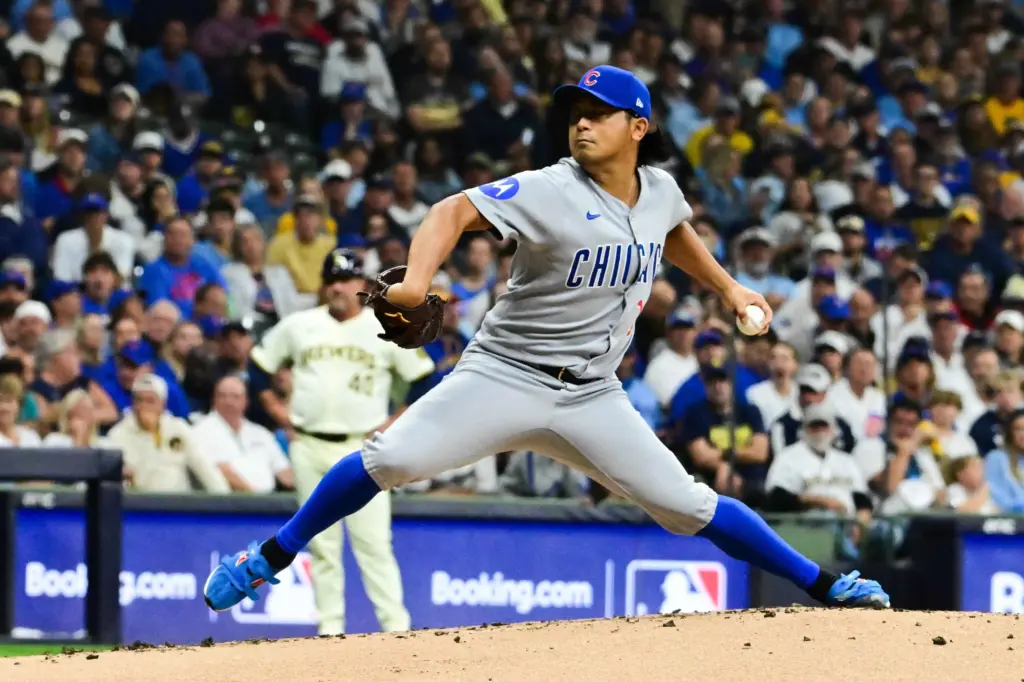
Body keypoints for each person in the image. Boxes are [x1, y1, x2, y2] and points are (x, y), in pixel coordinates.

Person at [204, 65, 889, 616]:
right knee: (390, 460)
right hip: (504, 375)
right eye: (574, 113)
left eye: (597, 112)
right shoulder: (546, 188)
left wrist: (731, 289)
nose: (581, 122)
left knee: (689, 505)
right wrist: (417, 279)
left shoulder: (659, 191)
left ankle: (826, 585)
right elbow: (450, 210)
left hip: (593, 394)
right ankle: (269, 556)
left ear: (639, 127)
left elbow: (674, 231)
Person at [224, 248, 433, 635]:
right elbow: (258, 370)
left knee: (374, 545)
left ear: (363, 285)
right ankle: (330, 630)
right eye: (331, 280)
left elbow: (424, 379)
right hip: (310, 443)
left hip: (365, 448)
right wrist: (278, 412)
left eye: (346, 278)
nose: (338, 287)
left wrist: (394, 423)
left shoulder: (385, 326)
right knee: (322, 546)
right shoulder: (300, 324)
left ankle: (396, 629)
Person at [107, 373, 228, 493]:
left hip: (177, 503)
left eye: (150, 401)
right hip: (141, 505)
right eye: (139, 400)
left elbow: (205, 467)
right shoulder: (118, 435)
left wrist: (225, 500)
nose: (143, 406)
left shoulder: (178, 428)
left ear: (162, 404)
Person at [191, 376, 294, 494]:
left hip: (269, 502)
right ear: (214, 399)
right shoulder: (201, 431)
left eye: (235, 396)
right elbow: (220, 472)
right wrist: (255, 499)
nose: (229, 401)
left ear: (245, 402)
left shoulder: (260, 433)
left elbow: (284, 472)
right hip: (231, 503)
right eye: (223, 396)